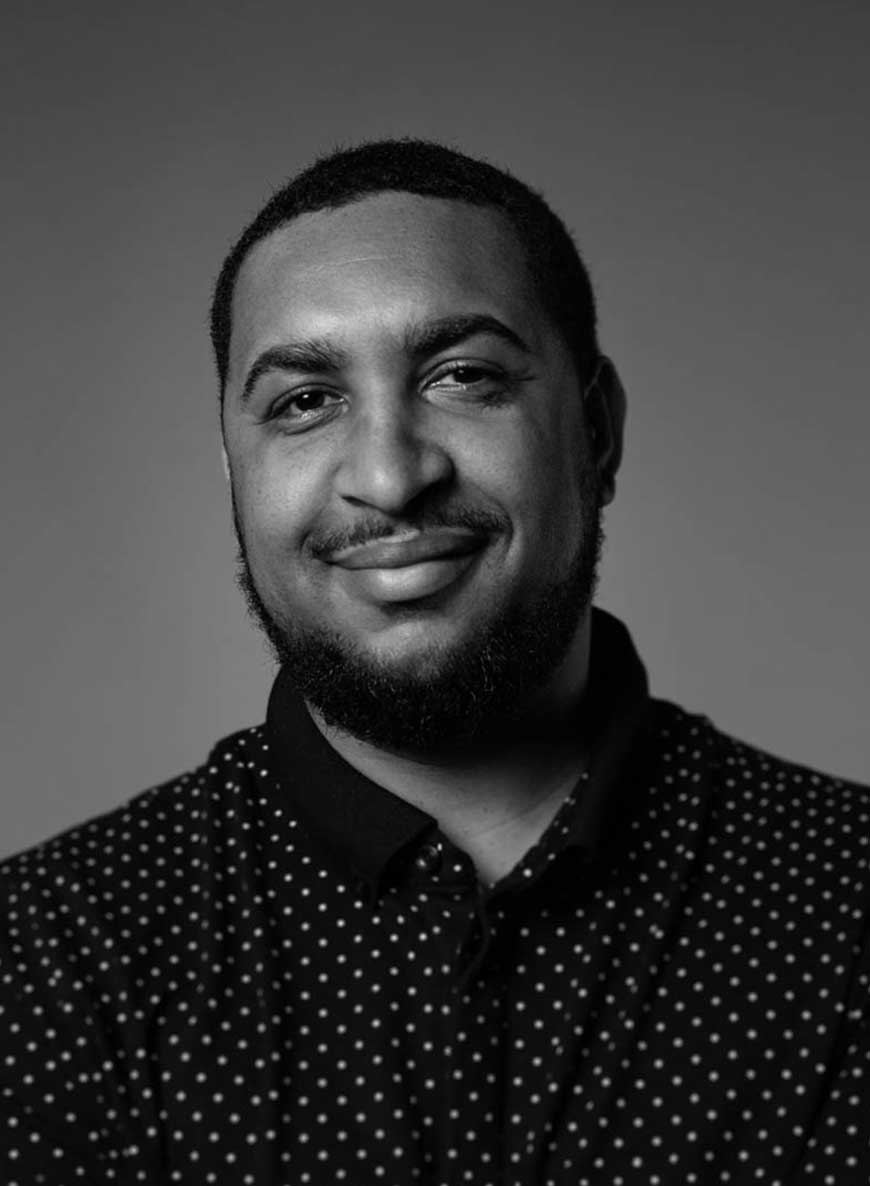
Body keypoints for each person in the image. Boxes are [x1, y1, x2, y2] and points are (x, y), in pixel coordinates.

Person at [1, 139, 867, 1186]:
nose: (389, 474)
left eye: (463, 376)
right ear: (235, 473)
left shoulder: (847, 909)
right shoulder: (48, 961)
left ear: (596, 431)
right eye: (304, 400)